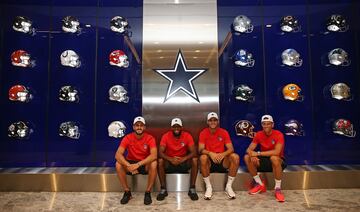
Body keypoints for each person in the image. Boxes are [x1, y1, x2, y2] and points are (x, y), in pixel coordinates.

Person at [115, 116, 157, 205]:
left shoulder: (150, 138)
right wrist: (128, 165)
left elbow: (154, 155)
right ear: (133, 127)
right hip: (131, 163)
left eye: (141, 125)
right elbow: (118, 155)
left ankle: (148, 192)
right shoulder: (127, 138)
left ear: (144, 127)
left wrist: (137, 165)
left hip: (143, 163)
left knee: (154, 163)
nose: (139, 127)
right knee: (118, 164)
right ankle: (127, 192)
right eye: (137, 125)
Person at [244, 115, 287, 202]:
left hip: (278, 161)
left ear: (272, 124)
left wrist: (258, 153)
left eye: (268, 124)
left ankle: (278, 189)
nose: (266, 126)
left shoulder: (279, 134)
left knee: (274, 158)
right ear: (261, 125)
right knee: (247, 157)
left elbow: (277, 152)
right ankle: (259, 184)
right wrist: (252, 155)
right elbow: (248, 149)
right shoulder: (259, 134)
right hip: (265, 160)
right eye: (264, 124)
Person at [198, 112, 240, 200]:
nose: (213, 122)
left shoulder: (224, 132)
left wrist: (222, 154)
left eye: (215, 120)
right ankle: (209, 187)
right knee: (203, 157)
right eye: (210, 120)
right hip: (210, 161)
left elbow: (231, 149)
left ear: (218, 122)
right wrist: (211, 153)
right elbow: (200, 149)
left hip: (222, 160)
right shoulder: (203, 133)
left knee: (235, 157)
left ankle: (228, 187)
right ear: (207, 122)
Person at [156, 118, 199, 201]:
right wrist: (171, 159)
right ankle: (163, 189)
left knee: (195, 160)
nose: (176, 129)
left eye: (178, 126)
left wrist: (183, 159)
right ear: (171, 128)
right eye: (174, 127)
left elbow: (194, 152)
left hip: (183, 162)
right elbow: (160, 152)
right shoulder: (166, 136)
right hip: (169, 162)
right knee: (160, 161)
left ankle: (192, 189)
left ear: (181, 127)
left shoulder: (187, 135)